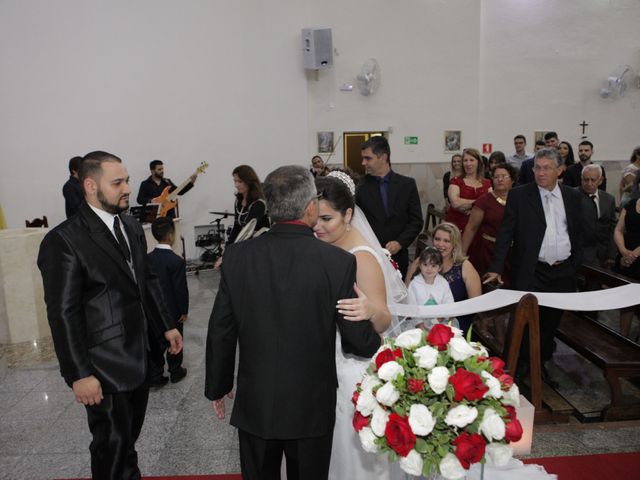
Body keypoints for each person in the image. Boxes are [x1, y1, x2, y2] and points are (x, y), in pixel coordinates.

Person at [205, 165, 381, 480]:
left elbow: (221, 328)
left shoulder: (237, 257)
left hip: (256, 402)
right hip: (311, 406)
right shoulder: (337, 262)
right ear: (310, 207)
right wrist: (374, 337)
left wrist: (218, 386)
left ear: (270, 207)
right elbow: (357, 340)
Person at [37, 151, 183, 480]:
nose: (127, 188)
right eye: (117, 182)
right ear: (90, 185)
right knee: (112, 445)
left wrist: (167, 327)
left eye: (128, 180)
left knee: (126, 441)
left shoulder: (130, 225)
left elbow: (145, 280)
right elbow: (63, 314)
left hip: (141, 355)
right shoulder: (63, 241)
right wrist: (78, 374)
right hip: (103, 366)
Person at [314, 171, 406, 480]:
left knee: (349, 451)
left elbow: (384, 319)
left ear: (348, 214)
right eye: (314, 217)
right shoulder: (320, 246)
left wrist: (369, 308)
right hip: (322, 360)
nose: (318, 226)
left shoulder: (362, 256)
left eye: (327, 218)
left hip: (351, 365)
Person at [485, 148, 584, 382]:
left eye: (546, 168)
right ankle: (522, 366)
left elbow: (578, 233)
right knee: (527, 321)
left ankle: (540, 366)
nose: (540, 172)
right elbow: (505, 233)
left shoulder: (572, 196)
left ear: (560, 170)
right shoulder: (520, 195)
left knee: (550, 324)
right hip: (532, 270)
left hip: (562, 271)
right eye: (537, 167)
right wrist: (497, 267)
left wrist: (574, 266)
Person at [356, 136, 423, 277]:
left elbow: (416, 221)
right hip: (370, 256)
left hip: (398, 256)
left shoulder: (407, 184)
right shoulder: (359, 186)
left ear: (383, 157)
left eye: (368, 158)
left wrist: (400, 243)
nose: (363, 163)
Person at [407, 222, 482, 335]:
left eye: (446, 241)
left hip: (454, 322)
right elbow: (407, 293)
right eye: (437, 239)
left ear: (455, 244)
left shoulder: (464, 266)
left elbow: (476, 304)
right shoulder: (421, 262)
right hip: (420, 321)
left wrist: (445, 316)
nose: (440, 244)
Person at [147, 217, 189, 385]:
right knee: (175, 340)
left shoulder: (146, 259)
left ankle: (156, 375)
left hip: (153, 310)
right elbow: (180, 289)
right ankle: (176, 371)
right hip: (173, 311)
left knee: (155, 343)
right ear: (171, 235)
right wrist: (183, 310)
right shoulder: (176, 261)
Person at [461, 163, 517, 282]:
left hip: (514, 252)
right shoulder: (484, 201)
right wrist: (462, 254)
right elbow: (471, 228)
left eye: (504, 176)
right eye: (496, 177)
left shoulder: (519, 199)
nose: (500, 179)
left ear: (512, 179)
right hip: (489, 251)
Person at [214, 165, 270, 269]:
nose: (236, 185)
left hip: (259, 247)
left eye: (239, 181)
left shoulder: (259, 203)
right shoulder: (238, 201)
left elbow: (247, 232)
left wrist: (229, 255)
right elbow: (237, 227)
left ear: (249, 181)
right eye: (234, 181)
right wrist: (227, 250)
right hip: (245, 244)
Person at [613, 170, 640, 338]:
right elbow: (618, 229)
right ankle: (623, 338)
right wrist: (623, 251)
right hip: (627, 257)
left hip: (634, 256)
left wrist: (635, 254)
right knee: (627, 301)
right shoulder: (631, 203)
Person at [406, 246, 454, 330]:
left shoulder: (443, 283)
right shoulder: (414, 283)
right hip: (419, 321)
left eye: (433, 265)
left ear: (439, 268)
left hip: (439, 320)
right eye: (425, 264)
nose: (429, 269)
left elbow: (448, 302)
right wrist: (420, 325)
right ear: (420, 265)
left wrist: (439, 320)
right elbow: (411, 306)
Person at [445, 147, 491, 234]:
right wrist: (480, 204)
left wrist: (468, 205)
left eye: (471, 160)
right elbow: (455, 203)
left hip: (479, 228)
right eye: (465, 160)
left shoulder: (487, 183)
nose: (468, 163)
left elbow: (491, 204)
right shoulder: (455, 181)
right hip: (457, 227)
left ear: (478, 162)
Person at [578, 164, 617, 267]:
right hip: (580, 254)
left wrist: (611, 254)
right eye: (586, 180)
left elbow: (613, 228)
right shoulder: (572, 195)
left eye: (593, 180)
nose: (589, 183)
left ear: (600, 180)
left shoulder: (609, 199)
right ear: (581, 179)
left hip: (603, 254)